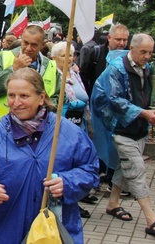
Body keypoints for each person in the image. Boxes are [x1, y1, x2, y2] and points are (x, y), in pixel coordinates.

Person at [0, 68, 98, 244]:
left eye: (24, 96)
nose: (16, 102)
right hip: (8, 229)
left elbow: (91, 169)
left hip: (55, 232)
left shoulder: (67, 132)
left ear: (41, 97)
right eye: (11, 95)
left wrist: (68, 182)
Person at [91, 33, 155, 235]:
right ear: (133, 49)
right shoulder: (116, 70)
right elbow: (115, 100)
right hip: (119, 129)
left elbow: (144, 98)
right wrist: (143, 113)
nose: (147, 56)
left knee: (123, 166)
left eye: (150, 53)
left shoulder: (146, 69)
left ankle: (112, 203)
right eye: (143, 52)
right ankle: (151, 218)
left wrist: (151, 112)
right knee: (136, 169)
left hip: (137, 129)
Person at [51, 41, 97, 212]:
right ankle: (63, 202)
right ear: (54, 57)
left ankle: (74, 200)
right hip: (62, 127)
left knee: (75, 162)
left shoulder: (75, 74)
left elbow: (84, 97)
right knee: (62, 163)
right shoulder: (53, 75)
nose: (69, 59)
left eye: (71, 55)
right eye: (64, 55)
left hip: (79, 125)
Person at [0, 24, 59, 125]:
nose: (28, 48)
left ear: (42, 45)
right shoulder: (5, 57)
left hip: (38, 129)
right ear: (21, 39)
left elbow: (57, 99)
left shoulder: (51, 66)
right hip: (3, 128)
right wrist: (13, 69)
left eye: (34, 45)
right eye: (25, 43)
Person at [79, 23, 129, 99]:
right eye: (118, 39)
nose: (122, 43)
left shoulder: (128, 56)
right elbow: (84, 78)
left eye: (125, 40)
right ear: (109, 38)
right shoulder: (96, 53)